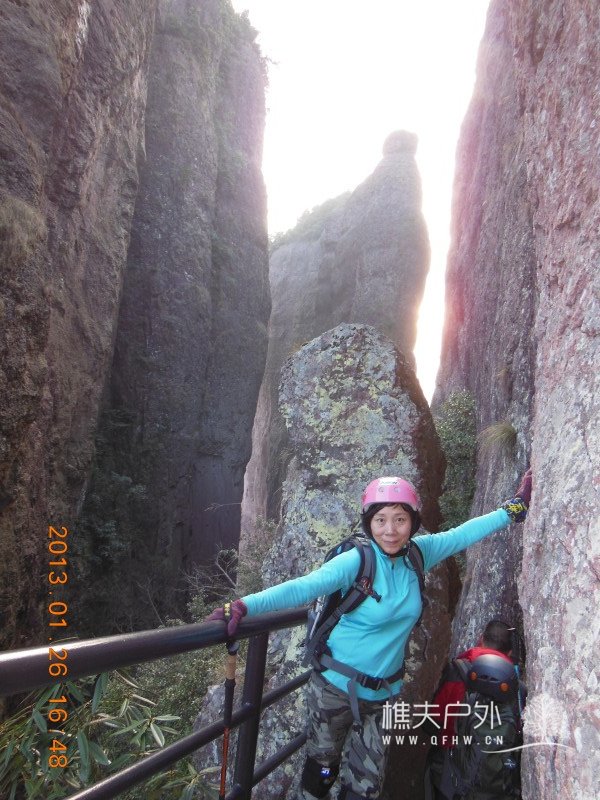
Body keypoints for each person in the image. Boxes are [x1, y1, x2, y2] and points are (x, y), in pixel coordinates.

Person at [207, 470, 532, 800]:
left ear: (413, 522)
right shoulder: (356, 562)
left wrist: (514, 509)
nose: (390, 530)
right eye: (381, 520)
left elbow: (462, 534)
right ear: (369, 523)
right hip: (334, 688)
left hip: (383, 694)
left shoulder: (418, 555)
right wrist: (243, 606)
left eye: (400, 519)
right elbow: (305, 586)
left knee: (366, 788)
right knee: (322, 773)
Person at [424, 620, 524, 799]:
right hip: (495, 782)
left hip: (449, 773)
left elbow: (433, 721)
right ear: (509, 652)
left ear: (481, 639)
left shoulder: (457, 671)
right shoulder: (518, 691)